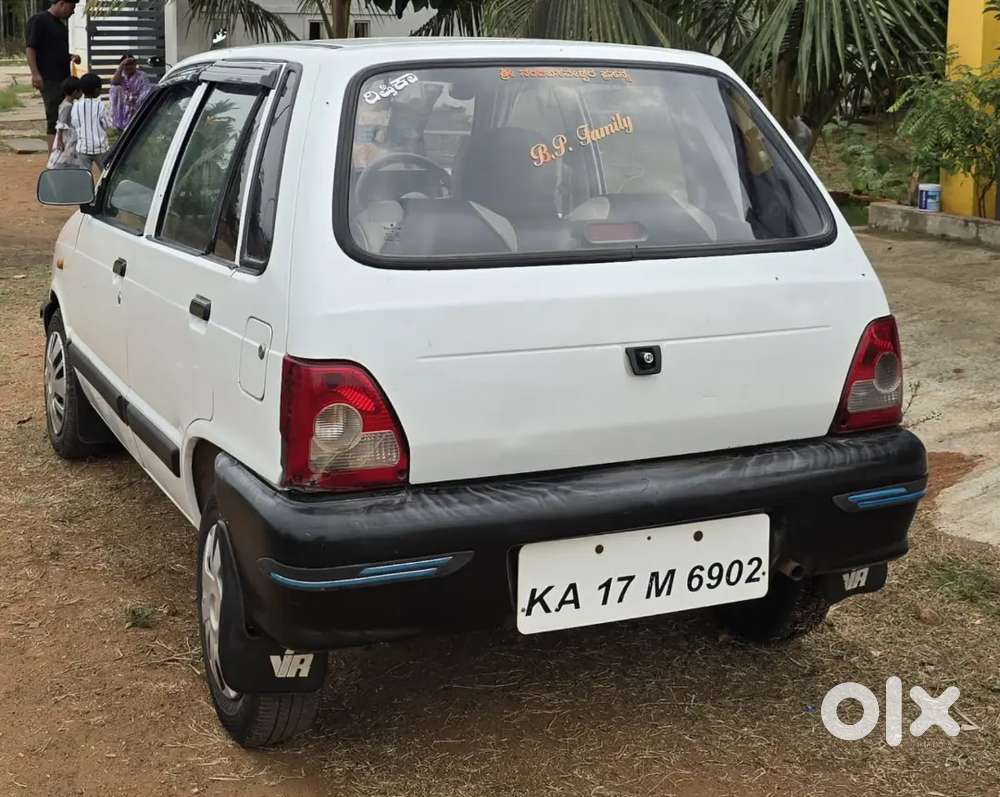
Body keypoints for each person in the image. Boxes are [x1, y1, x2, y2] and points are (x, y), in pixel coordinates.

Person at [25, 0, 82, 150]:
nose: (73, 11)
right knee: (54, 117)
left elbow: (56, 51)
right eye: (72, 7)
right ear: (62, 3)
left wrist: (71, 56)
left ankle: (64, 152)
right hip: (49, 78)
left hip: (64, 79)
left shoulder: (61, 25)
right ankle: (53, 157)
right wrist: (35, 74)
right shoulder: (39, 20)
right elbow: (31, 48)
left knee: (65, 115)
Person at [71, 73, 112, 174]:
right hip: (101, 148)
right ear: (97, 90)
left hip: (82, 148)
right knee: (106, 174)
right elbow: (107, 124)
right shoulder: (101, 106)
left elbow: (74, 123)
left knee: (85, 176)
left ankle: (86, 190)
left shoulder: (76, 105)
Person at [46, 76, 82, 169]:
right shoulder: (67, 106)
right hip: (67, 136)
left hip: (69, 135)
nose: (82, 93)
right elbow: (61, 123)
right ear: (75, 92)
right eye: (80, 91)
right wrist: (59, 140)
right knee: (65, 155)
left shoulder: (68, 104)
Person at [109, 52, 152, 130]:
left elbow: (146, 91)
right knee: (115, 88)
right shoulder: (120, 76)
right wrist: (120, 67)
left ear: (135, 65)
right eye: (126, 65)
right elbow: (113, 83)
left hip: (137, 105)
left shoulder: (142, 75)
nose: (129, 67)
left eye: (131, 64)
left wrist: (134, 101)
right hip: (123, 106)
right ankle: (119, 124)